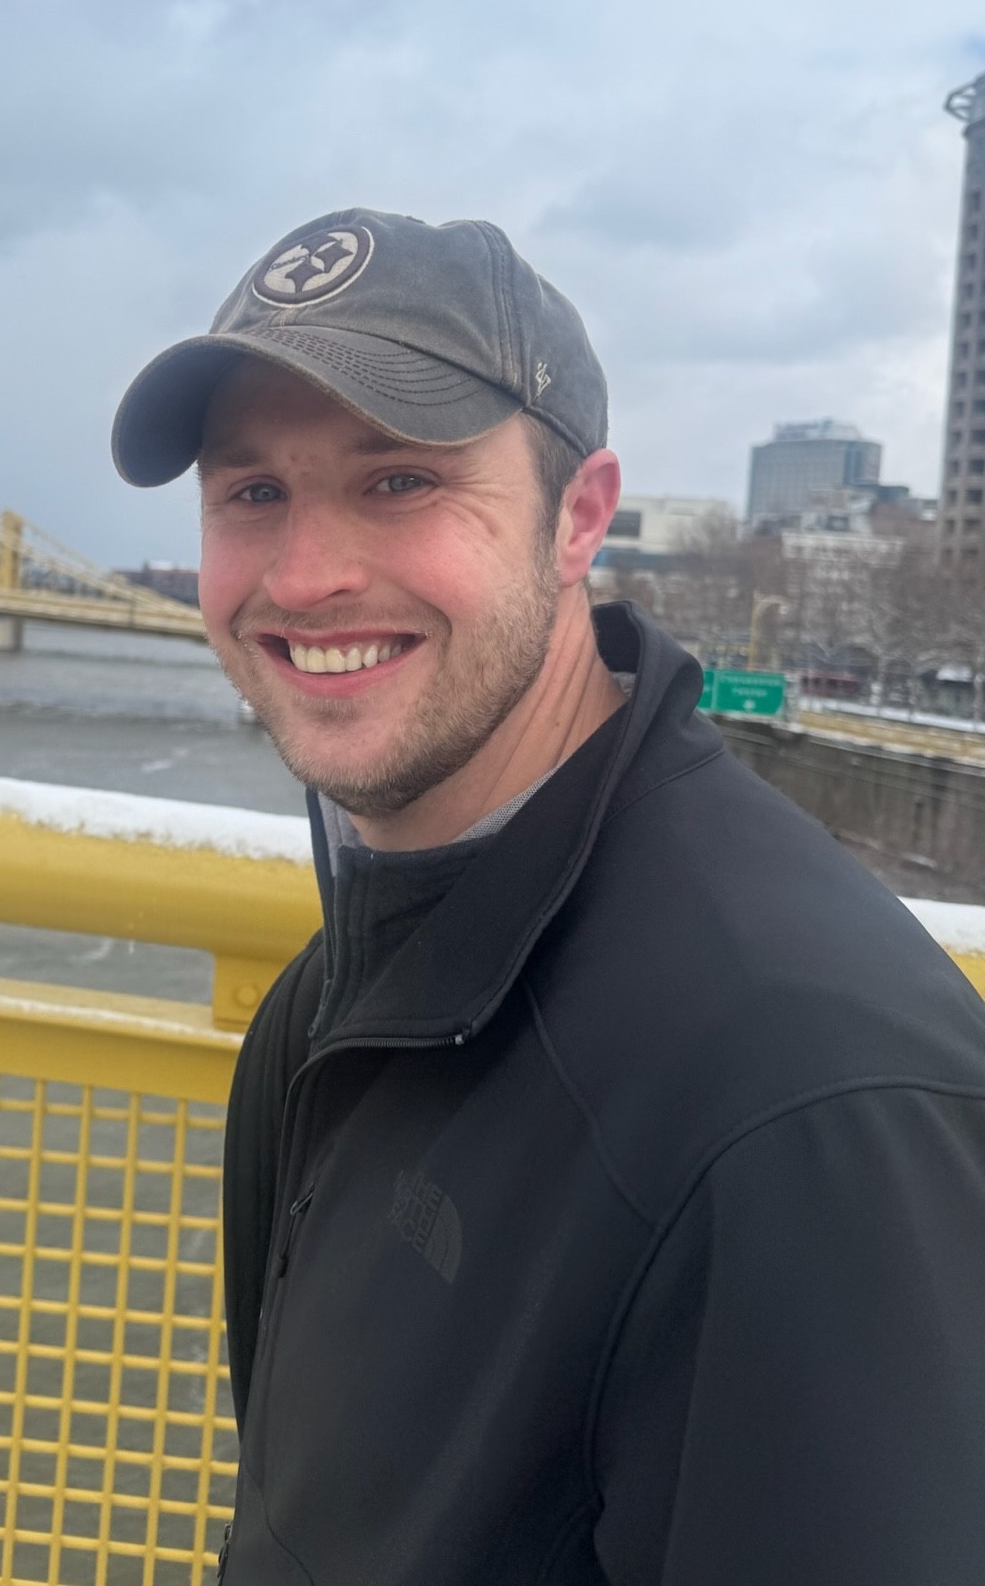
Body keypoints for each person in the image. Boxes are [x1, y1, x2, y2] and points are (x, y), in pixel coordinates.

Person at [111, 207, 985, 1585]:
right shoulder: (357, 980)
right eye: (252, 493)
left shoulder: (802, 1108)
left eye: (401, 480)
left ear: (580, 517)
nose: (304, 576)